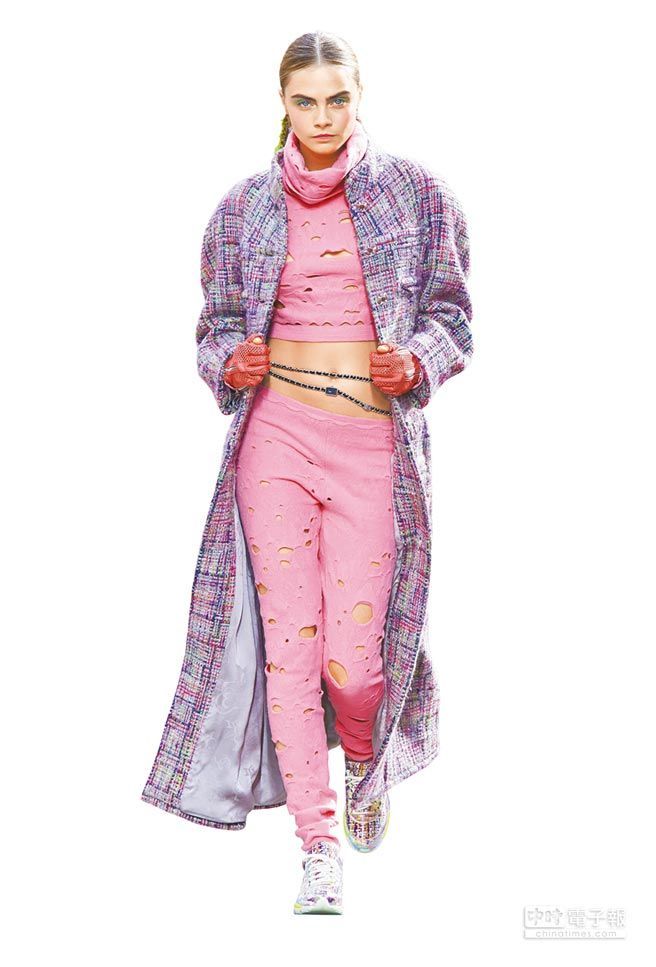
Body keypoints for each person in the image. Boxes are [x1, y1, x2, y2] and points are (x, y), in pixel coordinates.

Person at [141, 30, 473, 919]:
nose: (322, 117)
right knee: (288, 649)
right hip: (275, 441)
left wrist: (418, 360)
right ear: (282, 103)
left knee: (352, 660)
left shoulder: (418, 194)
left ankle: (364, 759)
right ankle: (317, 846)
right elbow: (214, 325)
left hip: (373, 445)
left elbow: (453, 315)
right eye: (305, 101)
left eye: (337, 99)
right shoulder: (242, 209)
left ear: (360, 98)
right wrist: (230, 362)